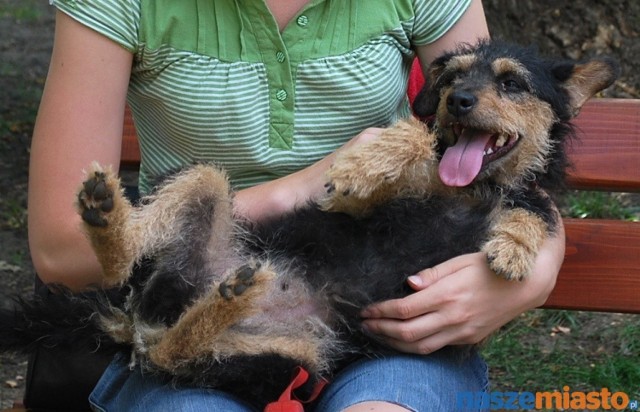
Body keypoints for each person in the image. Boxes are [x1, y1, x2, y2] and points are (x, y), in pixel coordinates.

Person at [28, 0, 564, 410]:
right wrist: (300, 187)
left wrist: (536, 271)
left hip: (388, 317)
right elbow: (61, 251)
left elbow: (508, 155)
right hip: (197, 293)